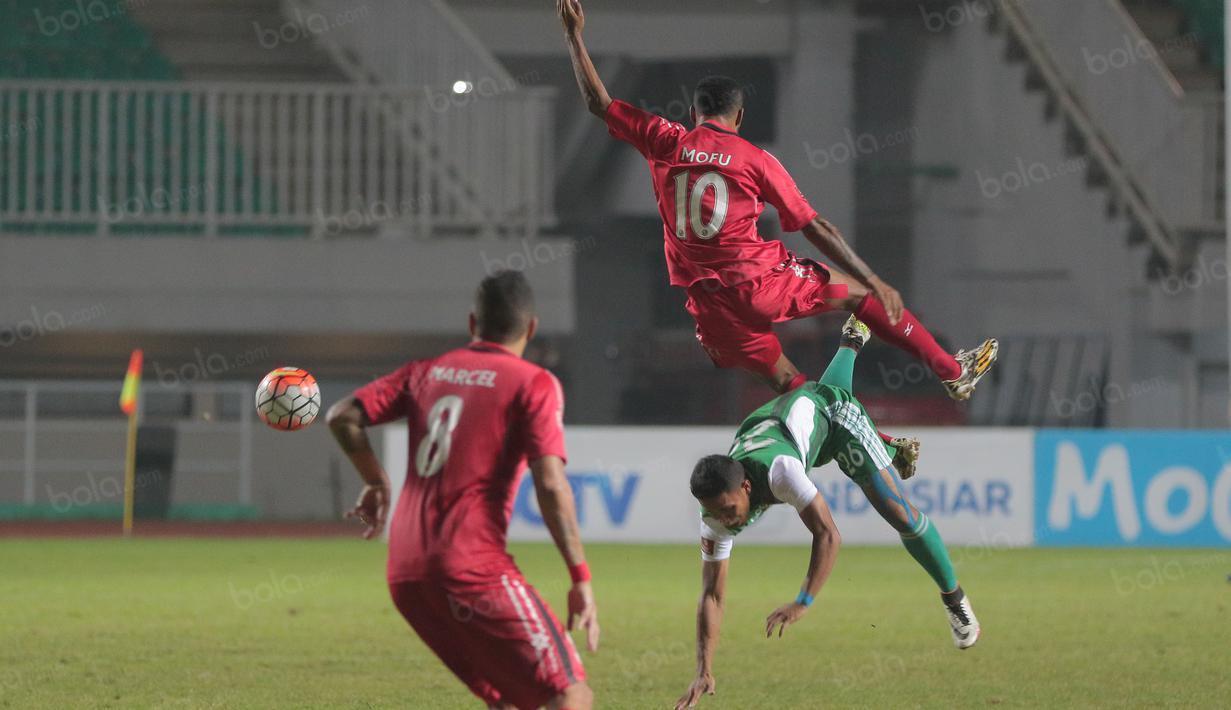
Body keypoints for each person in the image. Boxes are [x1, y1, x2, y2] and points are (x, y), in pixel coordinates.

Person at [556, 0, 997, 414]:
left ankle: (873, 441)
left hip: (712, 313)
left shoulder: (666, 141)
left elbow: (599, 103)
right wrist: (875, 279)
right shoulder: (756, 159)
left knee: (789, 381)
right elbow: (815, 226)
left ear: (694, 114)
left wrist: (574, 36)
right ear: (740, 117)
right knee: (859, 296)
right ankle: (951, 370)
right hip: (762, 289)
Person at [674, 316, 980, 710]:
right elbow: (712, 596)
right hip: (800, 417)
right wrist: (704, 669)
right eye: (717, 513)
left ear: (746, 487)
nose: (728, 520)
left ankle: (954, 600)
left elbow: (829, 535)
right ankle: (852, 342)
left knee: (897, 512)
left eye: (730, 510)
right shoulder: (716, 512)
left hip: (835, 422)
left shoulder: (780, 472)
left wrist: (803, 601)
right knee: (821, 394)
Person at [327, 270, 599, 710]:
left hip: (406, 574)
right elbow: (550, 484)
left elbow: (342, 415)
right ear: (531, 328)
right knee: (569, 693)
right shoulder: (533, 382)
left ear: (473, 323)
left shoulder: (426, 371)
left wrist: (376, 482)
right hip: (471, 568)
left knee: (509, 698)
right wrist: (580, 576)